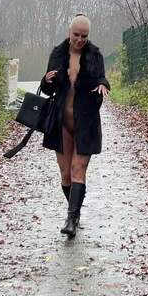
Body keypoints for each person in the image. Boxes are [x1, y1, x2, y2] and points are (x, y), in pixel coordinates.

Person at [40, 14, 111, 238]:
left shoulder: (95, 55)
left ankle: (70, 219)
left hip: (86, 122)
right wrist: (46, 80)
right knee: (65, 174)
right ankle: (75, 212)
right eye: (76, 35)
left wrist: (103, 84)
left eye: (84, 36)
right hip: (61, 122)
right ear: (69, 33)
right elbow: (48, 90)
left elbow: (101, 78)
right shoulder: (58, 54)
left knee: (78, 169)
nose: (80, 40)